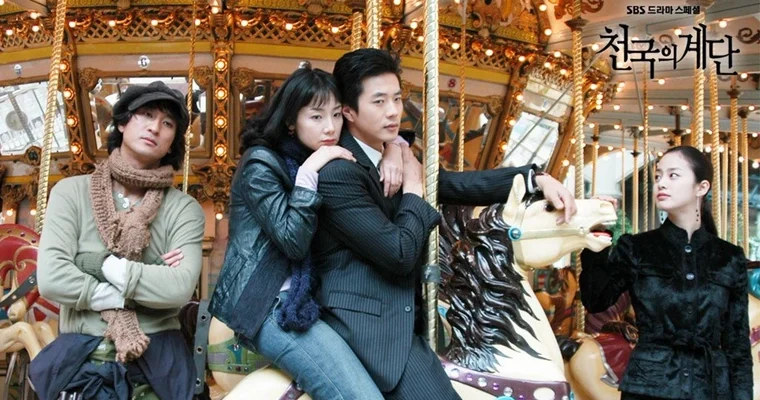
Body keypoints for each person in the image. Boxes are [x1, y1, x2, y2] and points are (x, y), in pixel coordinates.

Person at [310, 48, 577, 399]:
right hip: (366, 325)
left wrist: (535, 178)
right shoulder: (338, 173)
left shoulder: (391, 153)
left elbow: (455, 185)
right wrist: (414, 190)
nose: (393, 111)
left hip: (401, 318)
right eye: (378, 101)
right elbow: (398, 252)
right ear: (349, 111)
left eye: (397, 98)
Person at [209, 64, 408, 400]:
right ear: (291, 121)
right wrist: (308, 174)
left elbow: (386, 136)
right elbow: (293, 241)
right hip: (270, 304)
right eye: (316, 117)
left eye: (336, 115)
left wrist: (394, 150)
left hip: (309, 298)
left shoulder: (321, 155)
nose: (330, 127)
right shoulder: (261, 164)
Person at [32, 81, 205, 400]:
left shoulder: (184, 209)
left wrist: (96, 264)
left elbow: (179, 288)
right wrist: (143, 282)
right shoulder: (70, 193)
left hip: (157, 358)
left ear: (173, 142)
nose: (155, 127)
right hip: (81, 356)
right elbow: (52, 278)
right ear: (123, 122)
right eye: (146, 114)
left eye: (168, 123)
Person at [580, 146, 752, 400]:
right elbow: (596, 299)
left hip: (711, 389)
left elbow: (737, 344)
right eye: (658, 176)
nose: (661, 183)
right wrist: (598, 233)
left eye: (673, 175)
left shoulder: (729, 257)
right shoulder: (637, 248)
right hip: (649, 387)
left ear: (701, 187)